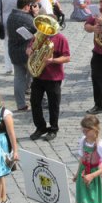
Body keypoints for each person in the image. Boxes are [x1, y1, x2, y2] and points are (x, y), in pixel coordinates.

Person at [27, 14, 71, 142]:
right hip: (38, 75)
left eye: (48, 25)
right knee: (35, 102)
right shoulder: (38, 36)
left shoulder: (61, 38)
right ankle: (40, 127)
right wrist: (29, 50)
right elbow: (30, 47)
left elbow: (67, 57)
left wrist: (53, 60)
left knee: (53, 104)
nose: (45, 29)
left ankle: (53, 128)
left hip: (53, 77)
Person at [6, 0, 37, 112]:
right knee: (35, 76)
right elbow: (37, 29)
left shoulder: (11, 16)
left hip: (14, 51)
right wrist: (35, 14)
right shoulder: (26, 18)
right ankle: (38, 101)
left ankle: (21, 104)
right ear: (27, 6)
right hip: (27, 51)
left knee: (19, 78)